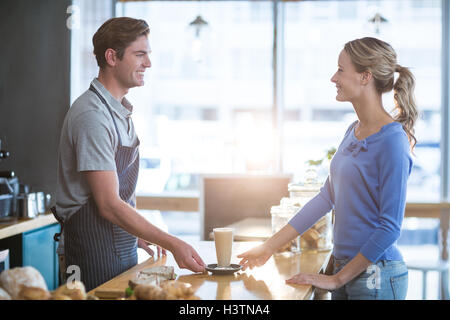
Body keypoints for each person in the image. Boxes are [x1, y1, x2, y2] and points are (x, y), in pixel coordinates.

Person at [238, 37, 417, 300]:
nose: (334, 78)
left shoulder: (393, 140)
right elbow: (326, 198)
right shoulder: (352, 132)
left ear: (365, 76)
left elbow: (390, 227)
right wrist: (268, 247)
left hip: (375, 274)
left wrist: (337, 279)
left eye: (341, 70)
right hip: (344, 267)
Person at [54, 17, 205, 291]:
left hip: (117, 248)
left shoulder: (118, 112)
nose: (148, 63)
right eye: (140, 54)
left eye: (148, 54)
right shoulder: (92, 116)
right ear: (112, 57)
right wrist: (173, 242)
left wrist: (134, 234)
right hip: (86, 253)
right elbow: (109, 204)